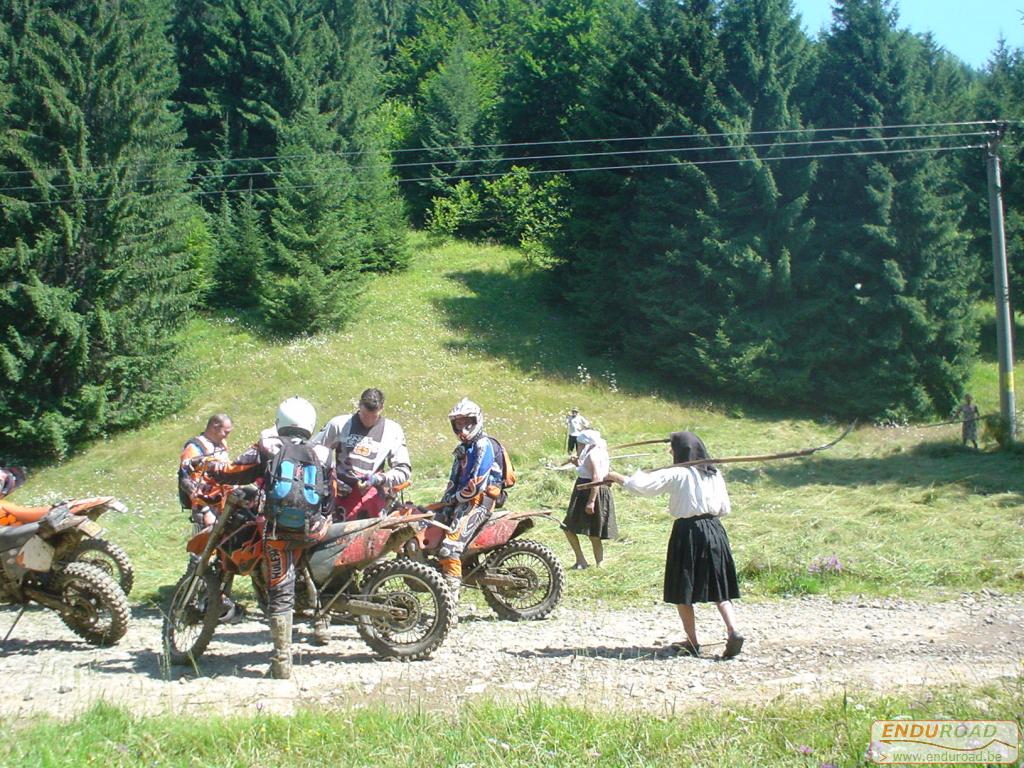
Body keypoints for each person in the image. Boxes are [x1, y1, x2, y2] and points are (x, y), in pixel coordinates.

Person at [201, 397, 333, 679]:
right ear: (309, 424)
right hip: (313, 529)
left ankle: (282, 661)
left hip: (279, 531)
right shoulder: (322, 452)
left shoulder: (268, 447)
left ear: (280, 420)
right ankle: (321, 620)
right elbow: (330, 495)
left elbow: (236, 472)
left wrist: (211, 468)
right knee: (305, 562)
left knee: (280, 589)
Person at [606, 431, 743, 659]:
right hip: (715, 529)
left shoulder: (678, 473)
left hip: (688, 531)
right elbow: (725, 508)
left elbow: (645, 487)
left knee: (683, 588)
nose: (670, 452)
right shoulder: (715, 474)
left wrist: (616, 476)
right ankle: (733, 630)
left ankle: (691, 642)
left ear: (681, 451)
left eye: (672, 448)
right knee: (719, 586)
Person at [437, 398, 502, 615]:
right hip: (461, 501)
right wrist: (444, 502)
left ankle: (450, 608)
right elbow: (453, 480)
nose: (462, 428)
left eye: (467, 422)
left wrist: (453, 498)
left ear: (477, 420)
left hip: (479, 503)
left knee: (449, 547)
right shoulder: (463, 449)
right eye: (458, 423)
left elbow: (477, 484)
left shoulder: (484, 445)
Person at [313, 388, 411, 522]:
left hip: (371, 499)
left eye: (374, 416)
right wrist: (330, 478)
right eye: (365, 415)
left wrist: (379, 479)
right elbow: (313, 453)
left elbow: (404, 470)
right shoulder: (339, 424)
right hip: (339, 496)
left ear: (381, 408)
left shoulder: (392, 431)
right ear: (359, 405)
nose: (369, 420)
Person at [561, 429, 617, 569]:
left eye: (579, 444)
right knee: (593, 532)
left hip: (589, 491)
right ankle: (594, 563)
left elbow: (597, 478)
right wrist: (578, 464)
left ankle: (586, 561)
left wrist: (591, 501)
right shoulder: (599, 451)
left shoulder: (593, 454)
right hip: (590, 491)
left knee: (572, 528)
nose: (577, 446)